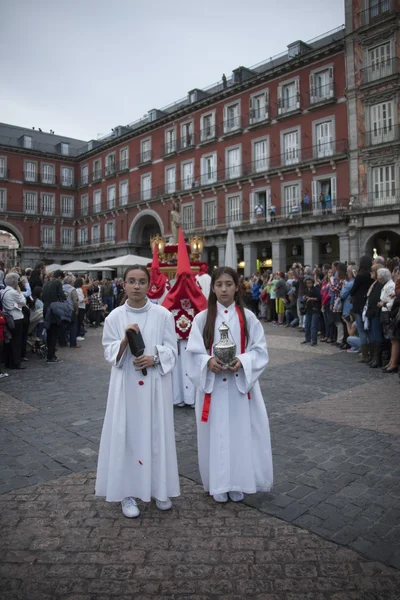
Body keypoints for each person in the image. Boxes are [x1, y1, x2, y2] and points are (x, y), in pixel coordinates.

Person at [95, 265, 180, 518]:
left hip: (154, 385)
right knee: (127, 435)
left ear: (149, 285)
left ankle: (159, 489)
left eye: (141, 281)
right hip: (126, 387)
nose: (136, 286)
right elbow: (109, 352)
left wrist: (155, 357)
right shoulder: (114, 317)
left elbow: (173, 349)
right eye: (131, 281)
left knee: (156, 434)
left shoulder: (163, 315)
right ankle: (128, 493)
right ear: (123, 284)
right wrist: (123, 342)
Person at [186, 267, 273, 504]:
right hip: (212, 387)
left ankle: (238, 481)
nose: (224, 289)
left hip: (239, 387)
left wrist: (243, 361)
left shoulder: (248, 317)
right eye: (219, 285)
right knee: (215, 435)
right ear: (212, 288)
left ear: (237, 286)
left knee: (240, 433)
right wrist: (207, 361)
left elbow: (259, 350)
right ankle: (218, 483)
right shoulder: (202, 318)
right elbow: (192, 352)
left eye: (228, 284)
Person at [162, 229, 208, 408]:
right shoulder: (193, 291)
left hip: (191, 340)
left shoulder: (174, 293)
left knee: (188, 366)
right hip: (181, 340)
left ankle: (187, 397)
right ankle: (182, 397)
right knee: (182, 367)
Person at [1, 272, 27, 370]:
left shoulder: (4, 291)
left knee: (9, 341)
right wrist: (19, 291)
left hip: (9, 317)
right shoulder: (13, 292)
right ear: (15, 282)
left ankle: (9, 362)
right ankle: (16, 362)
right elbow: (23, 302)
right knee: (16, 341)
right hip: (16, 318)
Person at [351, 255, 373, 363]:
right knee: (369, 329)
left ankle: (365, 354)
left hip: (358, 305)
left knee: (361, 330)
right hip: (368, 305)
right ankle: (371, 353)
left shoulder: (360, 276)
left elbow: (353, 290)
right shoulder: (372, 276)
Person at [42, 269, 65, 363]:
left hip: (46, 309)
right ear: (59, 277)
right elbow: (62, 296)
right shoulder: (57, 283)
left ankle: (50, 355)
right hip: (54, 310)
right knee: (54, 334)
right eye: (62, 279)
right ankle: (51, 356)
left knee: (49, 333)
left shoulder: (46, 283)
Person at [301, 276, 321, 346]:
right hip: (308, 309)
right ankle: (307, 339)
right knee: (307, 325)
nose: (308, 284)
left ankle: (314, 341)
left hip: (315, 309)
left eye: (310, 283)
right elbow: (304, 297)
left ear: (312, 283)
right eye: (307, 283)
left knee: (313, 326)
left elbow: (319, 298)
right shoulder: (306, 290)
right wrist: (305, 297)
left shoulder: (315, 289)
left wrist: (311, 298)